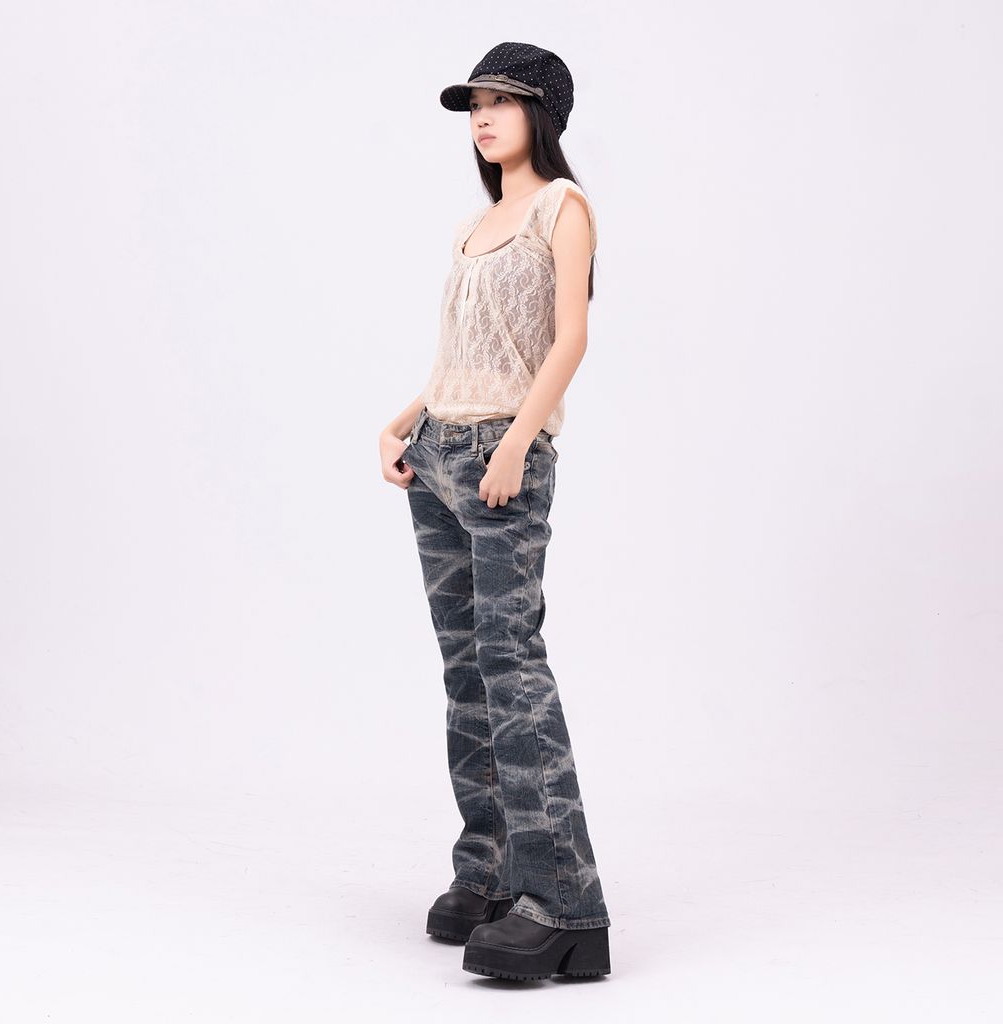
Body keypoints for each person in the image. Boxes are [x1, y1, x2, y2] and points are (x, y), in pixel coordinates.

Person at [379, 42, 612, 982]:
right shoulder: (476, 225)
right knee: (466, 670)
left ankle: (563, 903)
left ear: (541, 115)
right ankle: (488, 870)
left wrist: (516, 443)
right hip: (440, 452)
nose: (483, 116)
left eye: (503, 102)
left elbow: (569, 339)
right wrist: (404, 420)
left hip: (499, 462)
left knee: (511, 666)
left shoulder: (563, 207)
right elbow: (462, 353)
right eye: (476, 102)